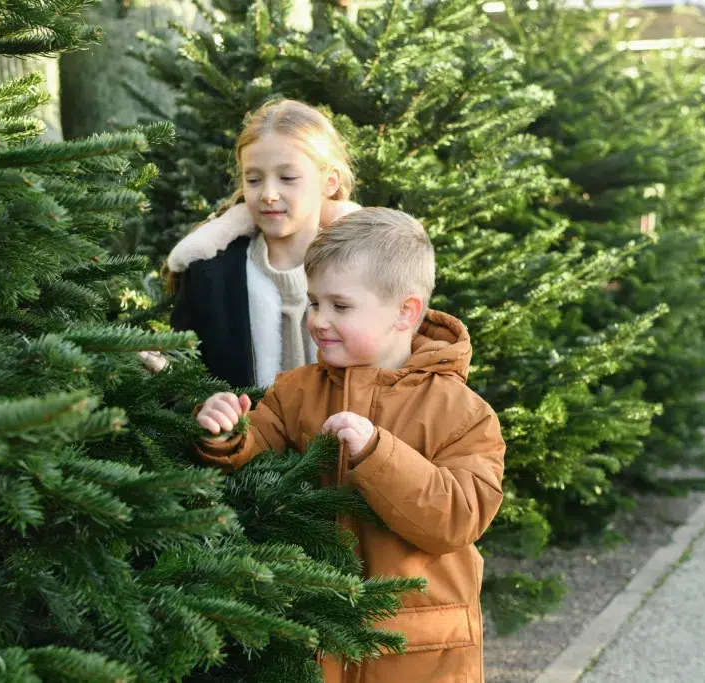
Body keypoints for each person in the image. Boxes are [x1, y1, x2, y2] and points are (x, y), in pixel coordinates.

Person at [193, 207, 506, 683]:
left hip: (416, 653)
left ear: (407, 312)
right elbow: (256, 447)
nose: (318, 320)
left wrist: (378, 455)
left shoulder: (462, 413)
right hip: (314, 636)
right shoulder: (296, 391)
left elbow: (459, 517)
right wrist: (227, 434)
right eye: (314, 302)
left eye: (340, 306)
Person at [160, 99, 360, 387]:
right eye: (253, 180)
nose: (268, 193)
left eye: (287, 177)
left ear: (329, 181)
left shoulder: (366, 270)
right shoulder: (209, 273)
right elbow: (182, 381)